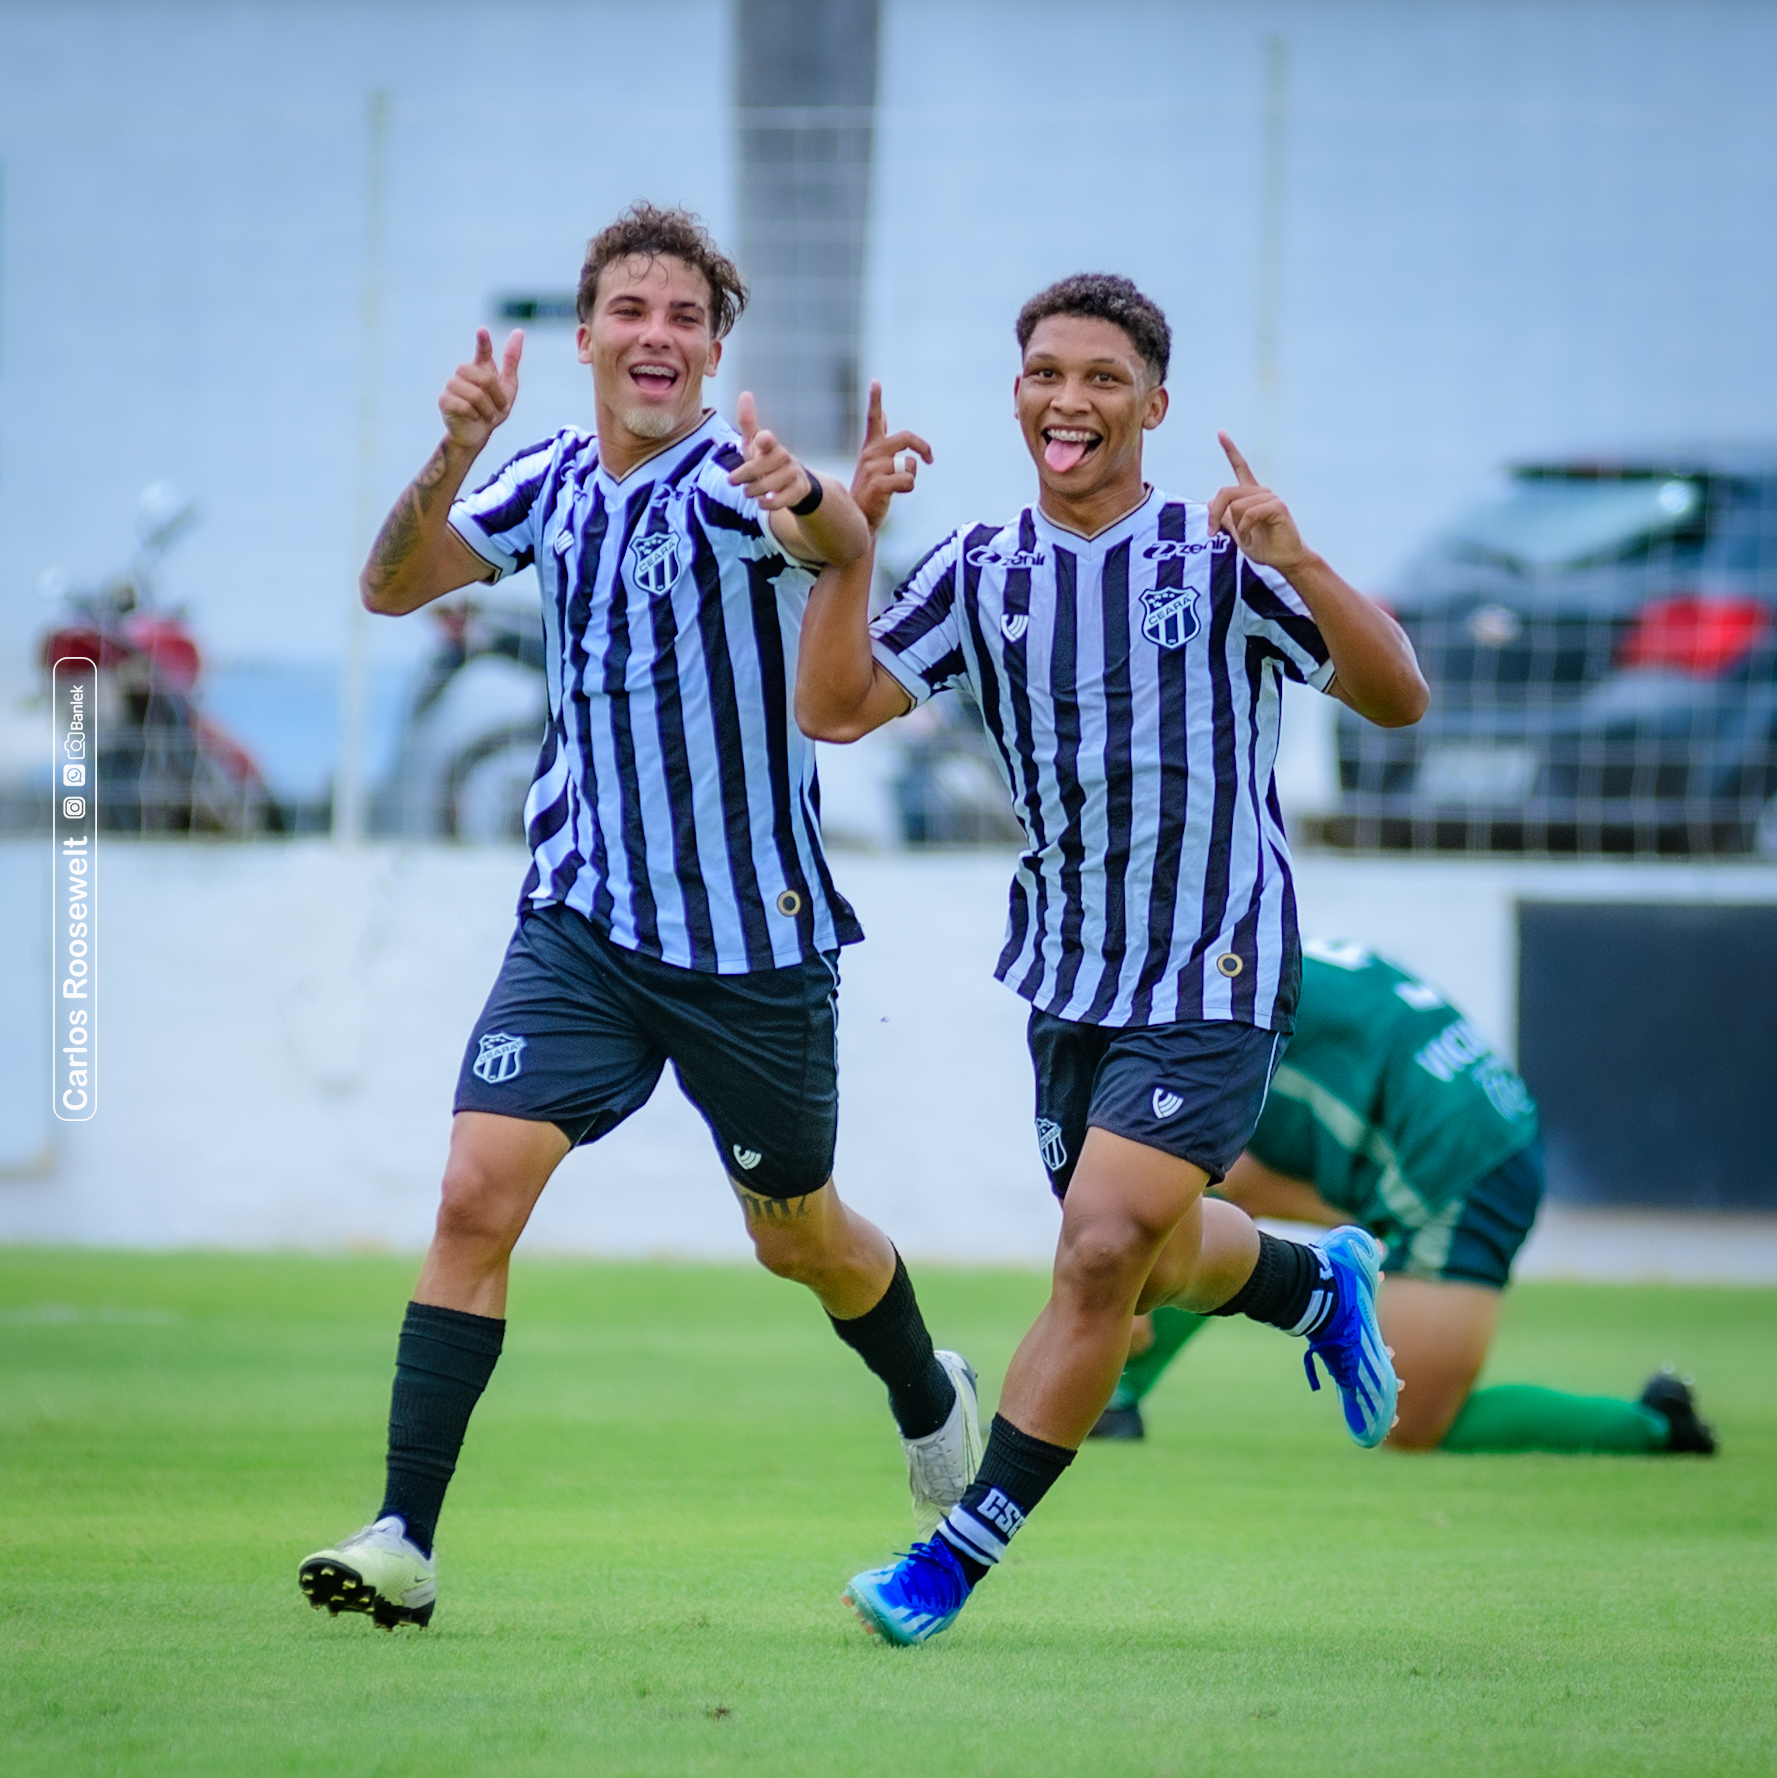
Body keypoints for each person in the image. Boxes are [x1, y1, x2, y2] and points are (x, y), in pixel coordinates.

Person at [298, 204, 981, 1632]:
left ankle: (927, 1385)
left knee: (797, 1236)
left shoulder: (738, 485)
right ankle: (403, 1536)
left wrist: (827, 501)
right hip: (582, 923)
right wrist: (455, 448)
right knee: (475, 1192)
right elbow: (387, 585)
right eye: (631, 311)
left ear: (715, 347)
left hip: (752, 947)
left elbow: (831, 535)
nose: (656, 336)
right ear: (587, 335)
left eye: (685, 318)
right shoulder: (541, 477)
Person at [796, 273, 1430, 1645]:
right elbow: (835, 709)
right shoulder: (981, 565)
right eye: (1042, 373)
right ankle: (1314, 1279)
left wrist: (1301, 556)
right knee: (1135, 1259)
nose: (1065, 401)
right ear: (1016, 392)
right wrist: (855, 542)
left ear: (1152, 403)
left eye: (1097, 378)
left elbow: (1398, 696)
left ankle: (951, 1560)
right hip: (1069, 975)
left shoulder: (1218, 561)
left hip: (1212, 967)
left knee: (1093, 1256)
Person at [1090, 939, 1718, 1456]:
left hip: (1466, 1169)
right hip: (1439, 1133)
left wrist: (1137, 1279)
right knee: (1217, 1189)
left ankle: (1655, 1427)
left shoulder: (1197, 1007)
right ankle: (1115, 1396)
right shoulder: (1238, 954)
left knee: (1411, 1423)